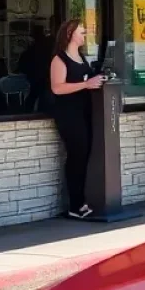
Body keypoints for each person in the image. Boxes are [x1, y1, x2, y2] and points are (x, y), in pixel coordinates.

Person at [46, 19, 105, 220]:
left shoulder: (81, 57)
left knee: (84, 154)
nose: (84, 35)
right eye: (81, 32)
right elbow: (57, 87)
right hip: (68, 115)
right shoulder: (59, 59)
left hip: (84, 112)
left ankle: (81, 201)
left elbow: (86, 81)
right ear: (70, 33)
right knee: (76, 155)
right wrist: (86, 84)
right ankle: (75, 204)